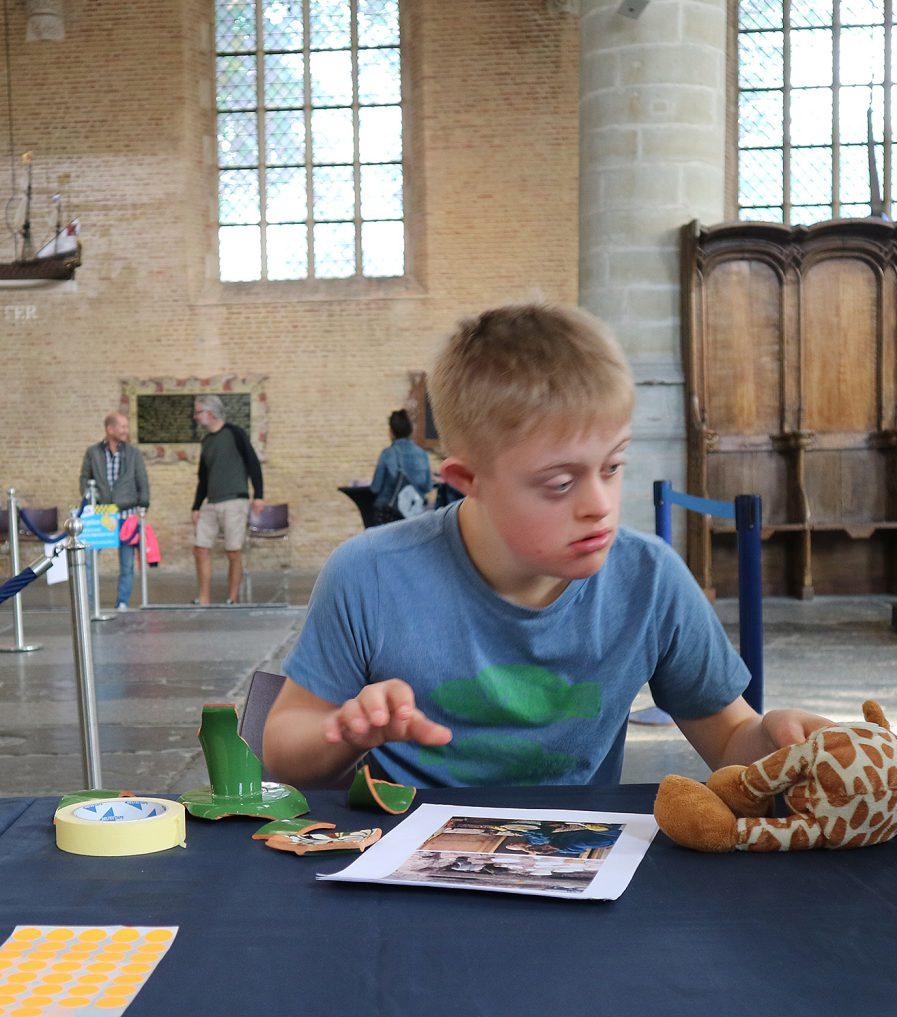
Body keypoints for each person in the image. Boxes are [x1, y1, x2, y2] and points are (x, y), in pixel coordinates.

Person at [263, 303, 830, 789]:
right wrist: (347, 732)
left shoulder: (650, 581)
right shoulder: (371, 575)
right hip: (405, 862)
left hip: (572, 860)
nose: (599, 505)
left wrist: (779, 743)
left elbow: (730, 738)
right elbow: (283, 751)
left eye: (613, 467)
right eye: (559, 484)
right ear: (469, 480)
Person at [191, 395, 264, 605]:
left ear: (210, 413)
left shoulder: (235, 434)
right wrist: (196, 506)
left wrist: (259, 495)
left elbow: (253, 464)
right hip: (211, 503)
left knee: (233, 551)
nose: (195, 417)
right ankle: (203, 598)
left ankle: (232, 598)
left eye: (198, 412)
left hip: (235, 502)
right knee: (200, 548)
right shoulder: (206, 441)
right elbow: (203, 478)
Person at [79, 411, 150, 611]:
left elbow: (141, 479)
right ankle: (90, 602)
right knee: (90, 559)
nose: (126, 431)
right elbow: (84, 477)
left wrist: (144, 502)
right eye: (122, 427)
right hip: (101, 514)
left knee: (126, 562)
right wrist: (88, 497)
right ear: (110, 429)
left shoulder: (133, 453)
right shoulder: (93, 452)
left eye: (126, 427)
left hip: (126, 514)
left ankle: (122, 601)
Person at [369, 409, 433, 523]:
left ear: (391, 431)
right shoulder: (422, 454)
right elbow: (428, 487)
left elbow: (375, 487)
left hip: (388, 515)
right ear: (410, 431)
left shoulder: (387, 454)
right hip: (414, 514)